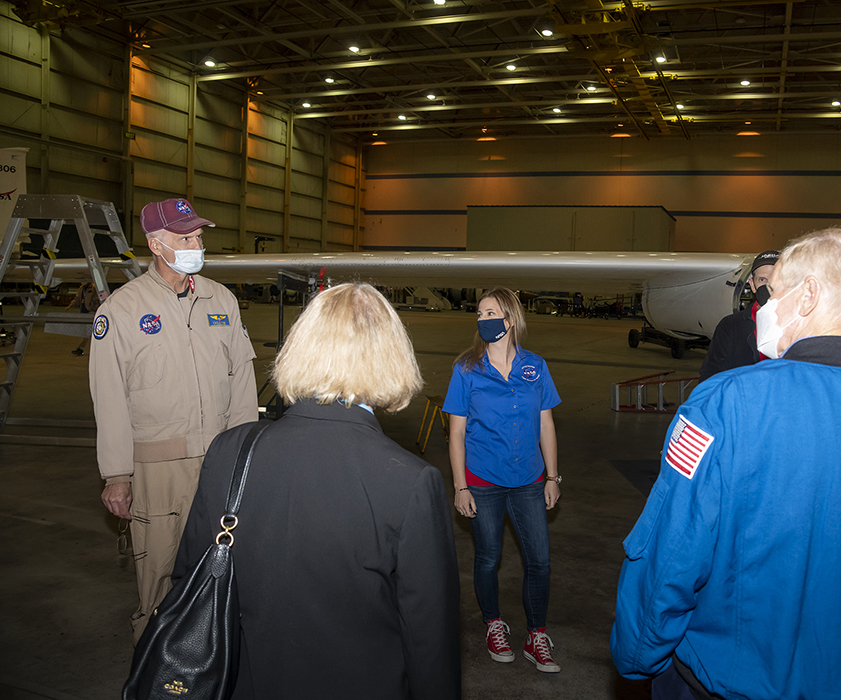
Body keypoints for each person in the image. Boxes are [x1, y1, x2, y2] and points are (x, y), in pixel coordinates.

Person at [611, 228, 841, 700]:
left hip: (724, 683)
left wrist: (637, 656)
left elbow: (672, 549)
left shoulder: (723, 405)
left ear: (807, 295)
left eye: (773, 293)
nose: (765, 308)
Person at [173, 283, 460, 699]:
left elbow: (187, 581)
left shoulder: (230, 452)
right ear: (391, 357)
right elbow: (430, 641)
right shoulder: (409, 482)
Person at [88, 197, 257, 643]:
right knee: (159, 574)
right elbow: (109, 400)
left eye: (199, 236)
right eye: (186, 237)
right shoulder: (121, 312)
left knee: (223, 571)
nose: (197, 244)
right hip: (158, 469)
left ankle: (213, 658)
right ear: (157, 245)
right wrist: (117, 474)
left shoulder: (221, 299)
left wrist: (243, 455)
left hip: (219, 464)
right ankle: (153, 662)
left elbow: (242, 381)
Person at [444, 287, 563, 673]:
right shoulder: (466, 369)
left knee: (540, 562)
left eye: (490, 312)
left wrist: (552, 476)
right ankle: (493, 623)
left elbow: (546, 423)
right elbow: (457, 434)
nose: (483, 319)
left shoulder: (536, 366)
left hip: (529, 478)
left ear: (510, 319)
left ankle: (536, 635)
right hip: (483, 479)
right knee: (488, 557)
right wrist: (460, 486)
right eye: (479, 314)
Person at [697, 249, 779, 382]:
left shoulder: (802, 326)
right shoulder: (730, 327)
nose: (769, 286)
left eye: (777, 278)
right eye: (762, 279)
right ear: (752, 285)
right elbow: (710, 375)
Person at [65, 280, 100, 355]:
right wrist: (69, 306)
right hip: (84, 312)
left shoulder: (93, 288)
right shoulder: (81, 289)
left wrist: (93, 309)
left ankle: (81, 349)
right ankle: (89, 349)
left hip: (91, 312)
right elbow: (77, 299)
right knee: (88, 333)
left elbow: (97, 300)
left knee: (88, 332)